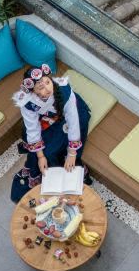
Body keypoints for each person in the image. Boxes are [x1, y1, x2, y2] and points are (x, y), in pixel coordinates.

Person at [10, 64, 92, 202]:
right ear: (33, 92)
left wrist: (72, 154)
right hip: (50, 116)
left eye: (48, 82)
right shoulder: (28, 103)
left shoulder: (65, 91)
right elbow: (32, 128)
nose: (48, 88)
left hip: (74, 112)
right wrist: (40, 156)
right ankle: (49, 173)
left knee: (56, 145)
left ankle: (67, 171)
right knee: (39, 148)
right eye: (41, 87)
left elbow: (73, 122)